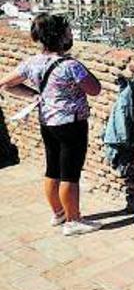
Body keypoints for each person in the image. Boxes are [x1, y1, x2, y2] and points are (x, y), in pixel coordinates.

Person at [0, 13, 103, 236]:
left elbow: (5, 84)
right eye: (68, 31)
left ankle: (58, 213)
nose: (71, 34)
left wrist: (33, 95)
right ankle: (73, 221)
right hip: (71, 124)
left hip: (48, 122)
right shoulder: (71, 66)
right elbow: (94, 89)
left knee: (53, 169)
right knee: (70, 173)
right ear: (60, 36)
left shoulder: (32, 62)